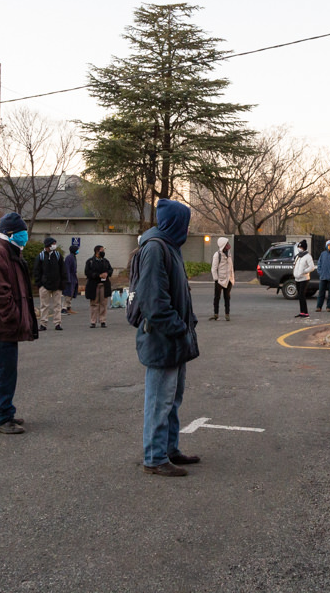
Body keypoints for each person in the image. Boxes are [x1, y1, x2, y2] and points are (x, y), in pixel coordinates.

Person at [136, 199, 200, 477]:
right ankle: (154, 457)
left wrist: (187, 324)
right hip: (162, 339)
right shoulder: (155, 248)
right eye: (185, 223)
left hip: (174, 339)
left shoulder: (170, 246)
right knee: (159, 402)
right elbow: (154, 302)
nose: (188, 228)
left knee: (172, 399)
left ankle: (169, 449)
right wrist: (179, 328)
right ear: (175, 222)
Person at [0, 212, 39, 434]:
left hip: (3, 326)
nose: (24, 236)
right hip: (0, 327)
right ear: (10, 233)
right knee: (2, 373)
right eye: (21, 232)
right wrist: (13, 316)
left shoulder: (7, 252)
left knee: (3, 372)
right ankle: (0, 417)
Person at [34, 236, 66, 331]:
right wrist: (39, 284)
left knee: (57, 305)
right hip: (44, 285)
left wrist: (62, 283)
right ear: (48, 245)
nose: (54, 246)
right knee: (44, 306)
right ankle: (43, 324)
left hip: (57, 285)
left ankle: (57, 323)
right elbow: (37, 271)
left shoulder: (58, 255)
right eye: (53, 244)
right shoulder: (41, 256)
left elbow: (63, 270)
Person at [85, 245, 113, 328]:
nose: (103, 252)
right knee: (94, 303)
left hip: (104, 284)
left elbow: (110, 270)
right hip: (94, 285)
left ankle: (103, 320)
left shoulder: (105, 261)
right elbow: (87, 272)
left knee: (103, 303)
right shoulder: (90, 261)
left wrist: (107, 274)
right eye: (102, 250)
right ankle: (93, 321)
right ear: (97, 251)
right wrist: (98, 275)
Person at [210, 237, 235, 321]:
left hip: (228, 280)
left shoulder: (229, 254)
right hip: (220, 280)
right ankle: (216, 314)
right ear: (223, 245)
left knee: (227, 297)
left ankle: (227, 314)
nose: (228, 245)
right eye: (227, 244)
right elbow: (214, 268)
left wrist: (232, 278)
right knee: (217, 297)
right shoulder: (217, 255)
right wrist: (216, 279)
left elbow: (231, 267)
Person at [292, 239, 315, 318]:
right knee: (299, 295)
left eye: (300, 247)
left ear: (304, 248)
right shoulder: (298, 256)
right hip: (297, 278)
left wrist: (304, 271)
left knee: (302, 295)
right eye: (299, 247)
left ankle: (305, 312)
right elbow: (295, 265)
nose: (299, 249)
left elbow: (312, 267)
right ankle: (302, 311)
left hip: (304, 278)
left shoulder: (308, 257)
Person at [63, 244, 80, 315]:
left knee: (71, 293)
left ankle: (68, 308)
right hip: (70, 278)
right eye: (77, 250)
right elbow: (66, 268)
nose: (78, 251)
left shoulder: (73, 257)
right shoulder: (69, 258)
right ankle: (64, 308)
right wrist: (68, 279)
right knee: (68, 294)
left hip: (73, 277)